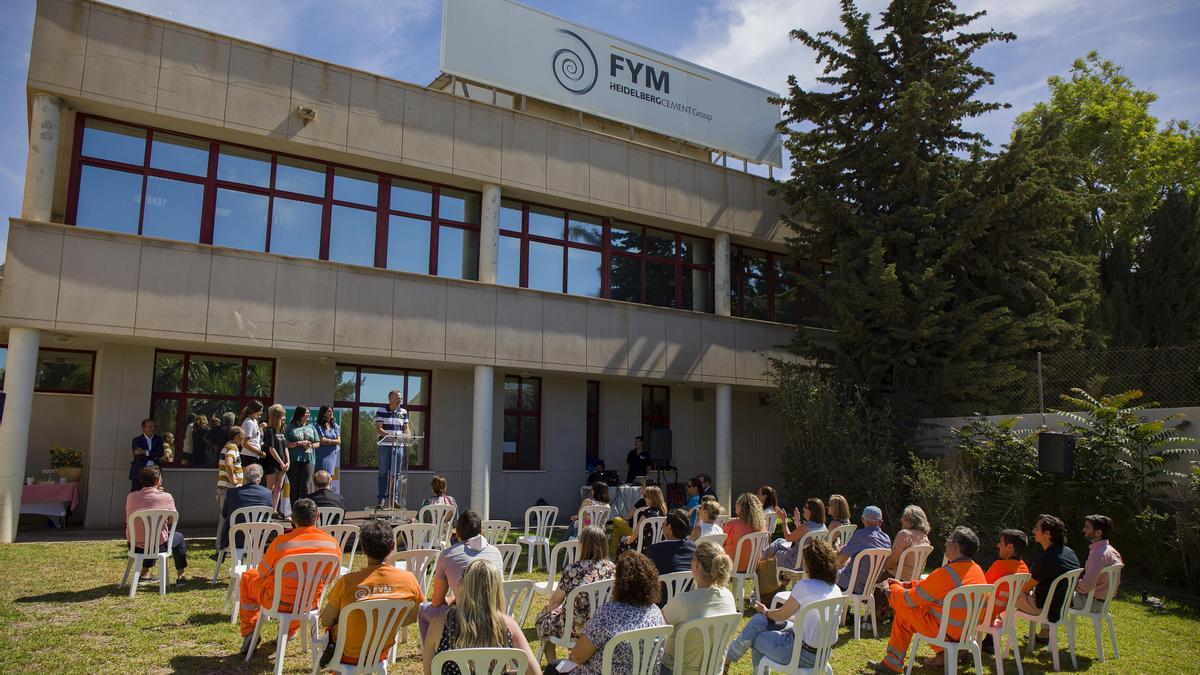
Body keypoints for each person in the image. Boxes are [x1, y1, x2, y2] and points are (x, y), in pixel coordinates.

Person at [867, 527, 987, 673]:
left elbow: (910, 599)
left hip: (945, 634)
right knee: (906, 613)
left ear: (956, 546)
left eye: (948, 540)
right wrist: (904, 584)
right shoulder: (978, 571)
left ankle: (892, 663)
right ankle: (893, 662)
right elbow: (927, 587)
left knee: (904, 609)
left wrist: (889, 589)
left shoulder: (946, 574)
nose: (945, 544)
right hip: (966, 634)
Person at [237, 499, 341, 655]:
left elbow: (262, 572)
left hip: (276, 602)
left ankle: (250, 631)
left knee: (247, 577)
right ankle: (291, 630)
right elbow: (331, 577)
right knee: (301, 592)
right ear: (317, 517)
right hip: (309, 603)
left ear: (293, 519)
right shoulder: (332, 544)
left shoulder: (281, 543)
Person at [316, 520, 423, 669]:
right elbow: (412, 617)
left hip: (345, 652)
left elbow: (326, 620)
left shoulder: (347, 582)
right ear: (392, 547)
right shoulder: (409, 580)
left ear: (363, 549)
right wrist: (386, 623)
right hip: (381, 651)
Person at [726, 539, 842, 672]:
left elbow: (781, 615)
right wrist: (767, 615)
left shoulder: (805, 587)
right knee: (759, 621)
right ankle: (728, 659)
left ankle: (731, 661)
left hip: (799, 653)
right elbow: (806, 619)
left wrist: (766, 611)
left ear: (810, 565)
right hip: (823, 654)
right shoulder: (835, 589)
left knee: (756, 637)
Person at [544, 551, 666, 675]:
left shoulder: (608, 614)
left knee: (553, 668)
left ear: (619, 582)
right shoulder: (656, 612)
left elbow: (577, 656)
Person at [424, 559, 540, 675]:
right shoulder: (507, 625)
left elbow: (429, 672)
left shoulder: (440, 624)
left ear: (464, 585)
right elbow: (535, 672)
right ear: (496, 588)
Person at [418, 510, 505, 639]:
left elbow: (437, 602)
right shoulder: (496, 552)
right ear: (481, 531)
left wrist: (453, 598)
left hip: (464, 617)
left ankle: (432, 651)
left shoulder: (448, 555)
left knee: (424, 610)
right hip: (494, 614)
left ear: (457, 532)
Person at [535, 526, 616, 661]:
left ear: (583, 544)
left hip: (574, 629)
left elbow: (556, 601)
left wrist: (546, 611)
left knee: (544, 620)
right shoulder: (613, 569)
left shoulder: (573, 569)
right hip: (602, 627)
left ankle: (553, 664)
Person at [661, 541, 736, 674]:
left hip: (676, 670)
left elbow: (658, 624)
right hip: (713, 670)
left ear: (696, 564)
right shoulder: (728, 597)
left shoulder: (683, 601)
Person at [126, 466, 189, 583]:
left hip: (135, 545)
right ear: (157, 480)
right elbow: (171, 520)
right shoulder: (166, 497)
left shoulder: (131, 497)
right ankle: (181, 576)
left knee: (151, 534)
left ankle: (144, 573)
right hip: (158, 545)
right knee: (177, 537)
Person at [1016, 514, 1081, 622]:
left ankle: (991, 632)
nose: (1033, 531)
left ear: (1047, 533)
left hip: (1044, 608)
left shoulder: (1047, 558)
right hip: (1062, 606)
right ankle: (1044, 635)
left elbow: (1025, 588)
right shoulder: (1069, 553)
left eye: (1037, 529)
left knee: (1007, 593)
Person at [836, 505, 892, 593]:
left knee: (828, 574)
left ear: (862, 519)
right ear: (881, 522)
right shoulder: (886, 539)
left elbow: (841, 560)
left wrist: (838, 553)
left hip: (851, 584)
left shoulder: (860, 535)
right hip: (870, 585)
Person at [983, 529, 1031, 628]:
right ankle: (990, 640)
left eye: (1001, 542)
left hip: (985, 611)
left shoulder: (999, 566)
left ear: (1010, 547)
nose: (998, 545)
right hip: (1003, 609)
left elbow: (982, 586)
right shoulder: (1024, 569)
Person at [219, 463, 273, 550]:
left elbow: (225, 514)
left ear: (245, 478)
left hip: (235, 538)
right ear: (259, 479)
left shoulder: (232, 493)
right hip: (259, 539)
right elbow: (268, 515)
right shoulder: (267, 493)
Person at [1074, 514, 1123, 608]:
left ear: (1098, 533)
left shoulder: (1099, 554)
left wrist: (1073, 585)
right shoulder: (1112, 551)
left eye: (1087, 527)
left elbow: (1087, 585)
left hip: (1090, 602)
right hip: (1103, 603)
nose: (1084, 530)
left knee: (1050, 596)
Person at [763, 497, 827, 570]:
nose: (803, 509)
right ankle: (784, 578)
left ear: (812, 511)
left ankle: (757, 562)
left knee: (775, 552)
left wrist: (783, 520)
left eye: (805, 507)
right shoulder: (823, 526)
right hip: (810, 562)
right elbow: (805, 536)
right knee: (779, 541)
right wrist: (797, 523)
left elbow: (788, 538)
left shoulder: (805, 526)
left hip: (796, 562)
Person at [375, 390, 410, 509]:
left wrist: (407, 435)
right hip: (385, 446)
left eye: (401, 398)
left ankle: (394, 500)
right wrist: (389, 436)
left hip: (399, 446)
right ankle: (382, 500)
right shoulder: (381, 410)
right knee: (383, 473)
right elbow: (379, 429)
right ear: (390, 399)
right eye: (398, 398)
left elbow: (406, 428)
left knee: (396, 474)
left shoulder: (403, 412)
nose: (400, 400)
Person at [285, 406, 319, 513]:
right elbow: (286, 444)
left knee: (305, 485)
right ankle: (295, 513)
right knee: (294, 486)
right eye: (306, 413)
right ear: (300, 414)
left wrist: (311, 445)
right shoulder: (290, 427)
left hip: (309, 459)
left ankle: (306, 512)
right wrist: (298, 443)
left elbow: (318, 443)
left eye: (309, 413)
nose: (308, 415)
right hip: (294, 459)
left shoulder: (312, 427)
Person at [883, 505, 932, 579]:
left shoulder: (904, 534)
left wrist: (880, 566)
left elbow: (892, 562)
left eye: (904, 517)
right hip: (913, 579)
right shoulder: (925, 538)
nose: (901, 520)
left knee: (870, 578)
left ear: (909, 519)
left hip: (896, 577)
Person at [617, 485, 667, 555]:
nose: (644, 498)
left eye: (645, 496)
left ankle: (623, 565)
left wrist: (628, 541)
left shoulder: (647, 513)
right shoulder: (663, 513)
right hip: (658, 546)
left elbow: (636, 533)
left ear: (651, 498)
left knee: (622, 542)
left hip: (643, 547)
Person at [647, 509, 697, 579]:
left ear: (669, 527)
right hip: (688, 589)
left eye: (664, 523)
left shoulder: (654, 550)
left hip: (664, 589)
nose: (662, 526)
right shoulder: (694, 548)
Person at [724, 492, 767, 572]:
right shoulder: (762, 526)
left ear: (741, 507)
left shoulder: (732, 525)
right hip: (753, 565)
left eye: (737, 502)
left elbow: (723, 542)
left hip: (733, 564)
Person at [261, 404, 290, 516]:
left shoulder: (281, 431)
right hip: (272, 463)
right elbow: (271, 449)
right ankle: (266, 509)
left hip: (283, 464)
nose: (285, 418)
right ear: (277, 416)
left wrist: (288, 462)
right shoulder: (269, 431)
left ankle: (274, 510)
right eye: (283, 416)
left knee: (279, 487)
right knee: (270, 487)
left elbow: (285, 447)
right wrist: (281, 462)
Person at [129, 418, 165, 492]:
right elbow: (138, 455)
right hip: (139, 471)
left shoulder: (158, 440)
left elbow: (160, 453)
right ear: (143, 428)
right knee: (136, 493)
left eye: (154, 426)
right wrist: (153, 455)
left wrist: (145, 452)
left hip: (154, 472)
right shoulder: (137, 440)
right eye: (150, 426)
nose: (153, 428)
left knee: (153, 493)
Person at [216, 426, 245, 511]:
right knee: (229, 517)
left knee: (224, 518)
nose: (244, 437)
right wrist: (233, 480)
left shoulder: (228, 446)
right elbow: (228, 463)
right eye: (243, 435)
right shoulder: (232, 447)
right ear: (236, 437)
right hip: (229, 488)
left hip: (226, 488)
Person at [314, 405, 341, 483]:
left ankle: (328, 494)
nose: (331, 412)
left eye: (332, 410)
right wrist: (333, 441)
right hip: (321, 455)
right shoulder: (318, 426)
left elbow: (339, 441)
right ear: (323, 413)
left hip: (332, 455)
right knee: (320, 478)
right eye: (329, 411)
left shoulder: (335, 426)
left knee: (329, 478)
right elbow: (322, 440)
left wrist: (328, 441)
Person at [239, 400, 266, 471]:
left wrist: (260, 428)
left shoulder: (254, 421)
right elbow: (245, 443)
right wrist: (260, 453)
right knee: (249, 481)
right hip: (248, 457)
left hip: (253, 456)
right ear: (253, 410)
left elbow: (255, 438)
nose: (262, 413)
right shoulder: (249, 422)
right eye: (260, 410)